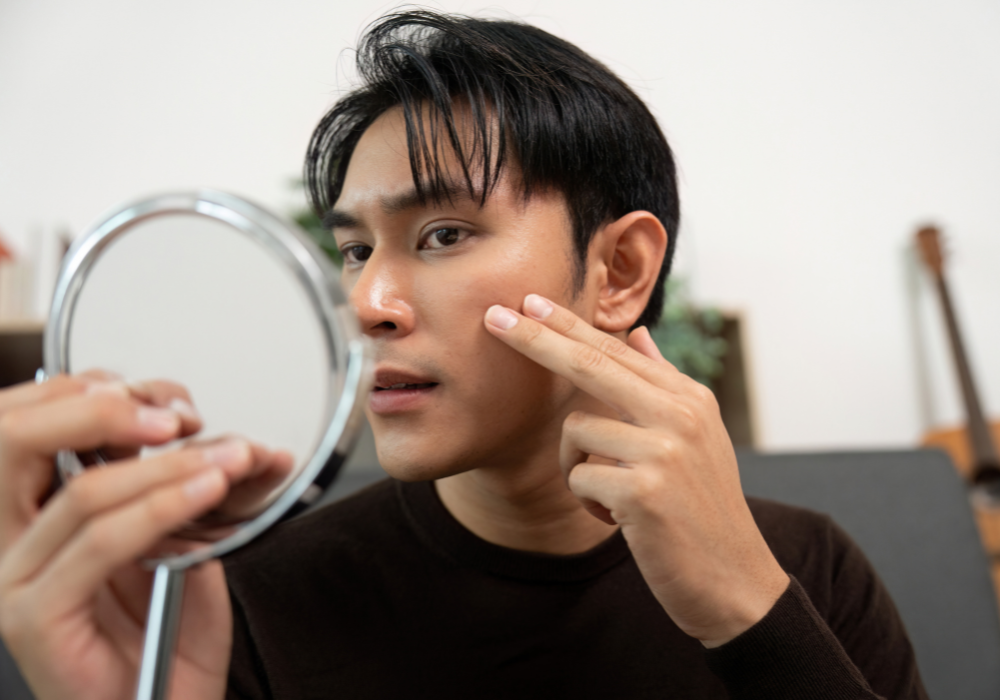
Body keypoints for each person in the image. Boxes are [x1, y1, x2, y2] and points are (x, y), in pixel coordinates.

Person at [0, 10, 927, 700]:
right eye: (354, 250)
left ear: (618, 271)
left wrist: (748, 614)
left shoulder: (804, 567)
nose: (366, 305)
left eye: (443, 234)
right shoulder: (234, 600)